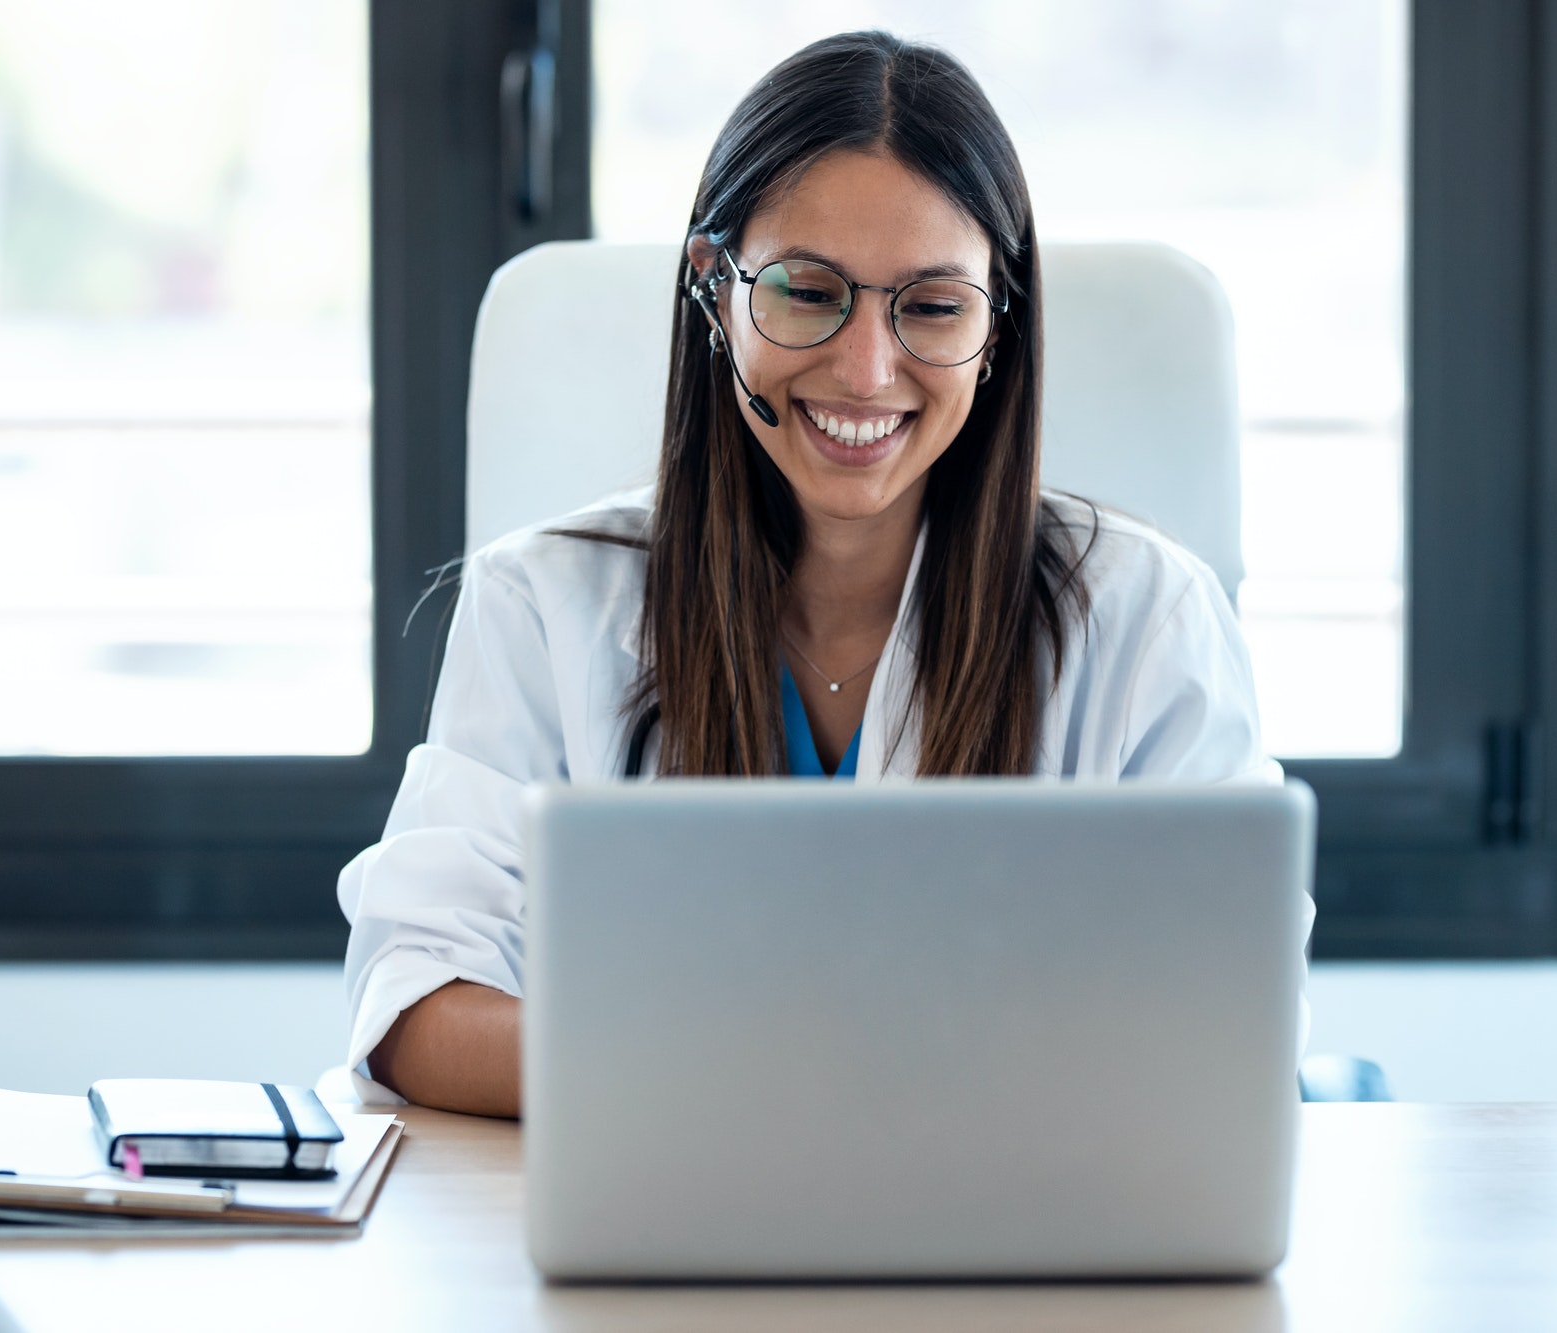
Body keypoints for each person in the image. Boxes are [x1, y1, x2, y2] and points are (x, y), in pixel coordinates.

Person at [338, 30, 1282, 1117]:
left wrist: (760, 1066)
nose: (866, 370)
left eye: (930, 307)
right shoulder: (542, 609)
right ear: (713, 290)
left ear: (996, 325)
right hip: (666, 1234)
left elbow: (1229, 1015)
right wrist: (773, 1077)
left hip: (1013, 1248)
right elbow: (414, 1002)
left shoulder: (1144, 619)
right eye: (804, 292)